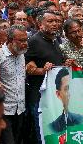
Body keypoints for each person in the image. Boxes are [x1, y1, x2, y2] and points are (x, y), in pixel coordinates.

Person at [24, 10, 63, 144]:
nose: (55, 24)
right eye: (50, 21)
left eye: (57, 21)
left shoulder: (56, 40)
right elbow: (26, 68)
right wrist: (43, 70)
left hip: (55, 96)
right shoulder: (33, 41)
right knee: (43, 134)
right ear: (40, 24)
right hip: (39, 98)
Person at [0, 24, 28, 144]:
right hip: (4, 111)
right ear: (10, 40)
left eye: (26, 40)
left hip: (20, 109)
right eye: (21, 40)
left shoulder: (22, 54)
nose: (25, 43)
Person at [49, 68, 83, 132]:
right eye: (67, 89)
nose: (71, 93)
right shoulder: (53, 127)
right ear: (58, 94)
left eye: (74, 87)